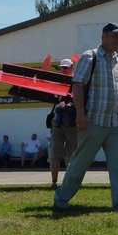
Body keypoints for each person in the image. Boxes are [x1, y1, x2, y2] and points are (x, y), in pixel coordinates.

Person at [54, 22, 118, 212]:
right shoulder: (90, 57)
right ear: (104, 37)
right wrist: (80, 115)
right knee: (80, 163)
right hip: (93, 121)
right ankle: (61, 199)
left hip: (116, 123)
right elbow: (78, 86)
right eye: (114, 36)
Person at [50, 58, 78, 190]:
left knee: (72, 154)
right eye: (62, 67)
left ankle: (70, 182)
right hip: (58, 122)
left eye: (66, 67)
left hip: (73, 123)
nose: (63, 70)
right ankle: (54, 182)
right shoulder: (56, 81)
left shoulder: (78, 81)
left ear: (72, 67)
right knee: (56, 153)